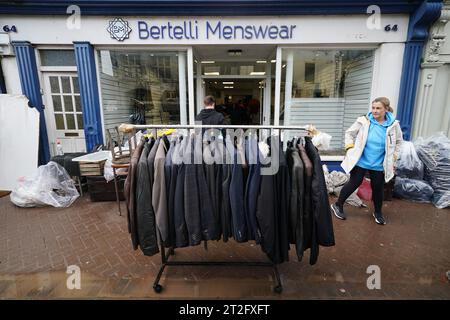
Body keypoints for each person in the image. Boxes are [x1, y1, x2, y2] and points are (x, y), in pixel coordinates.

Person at [331, 97, 403, 225]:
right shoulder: (364, 121)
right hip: (361, 160)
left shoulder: (393, 125)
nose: (375, 111)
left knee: (377, 188)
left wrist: (394, 156)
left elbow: (398, 142)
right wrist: (350, 147)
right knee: (354, 183)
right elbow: (349, 133)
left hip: (379, 163)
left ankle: (378, 212)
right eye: (373, 108)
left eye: (378, 108)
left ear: (386, 109)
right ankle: (338, 205)